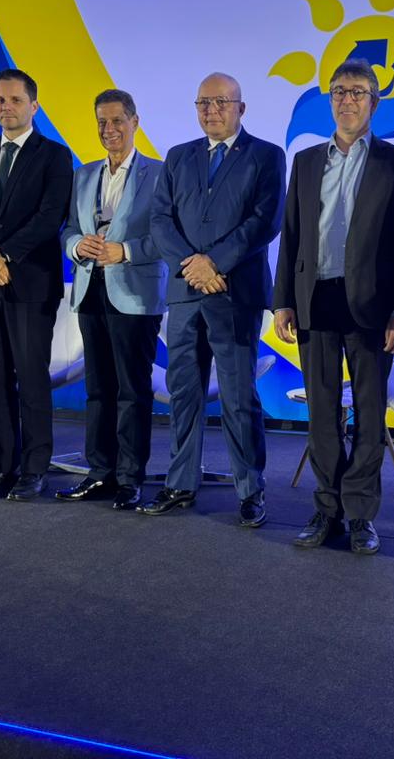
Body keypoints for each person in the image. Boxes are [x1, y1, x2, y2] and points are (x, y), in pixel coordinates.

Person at [272, 59, 394, 555]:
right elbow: (291, 234)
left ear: (374, 102)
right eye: (338, 91)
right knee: (322, 413)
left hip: (373, 305)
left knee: (370, 415)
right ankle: (327, 508)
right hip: (314, 300)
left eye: (357, 92)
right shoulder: (306, 160)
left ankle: (360, 515)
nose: (346, 100)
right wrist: (283, 302)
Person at [142, 72, 285, 526]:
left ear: (242, 108)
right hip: (186, 294)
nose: (212, 110)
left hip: (234, 293)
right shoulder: (178, 156)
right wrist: (193, 267)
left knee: (239, 397)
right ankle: (180, 483)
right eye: (204, 102)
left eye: (222, 102)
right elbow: (160, 220)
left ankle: (250, 489)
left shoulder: (266, 155)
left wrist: (215, 264)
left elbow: (264, 221)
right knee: (184, 393)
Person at [0, 68, 73, 501]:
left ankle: (35, 469)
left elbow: (50, 216)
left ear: (34, 106)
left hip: (31, 284)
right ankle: (1, 467)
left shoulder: (54, 156)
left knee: (32, 377)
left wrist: (3, 255)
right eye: (0, 100)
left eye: (15, 100)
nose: (6, 107)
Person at [57, 89, 167, 511]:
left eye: (117, 120)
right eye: (102, 122)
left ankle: (130, 478)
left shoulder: (159, 173)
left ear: (135, 122)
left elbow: (166, 237)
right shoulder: (83, 175)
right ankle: (99, 472)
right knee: (98, 389)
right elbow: (68, 228)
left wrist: (126, 251)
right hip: (90, 290)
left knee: (132, 391)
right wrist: (76, 246)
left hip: (136, 296)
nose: (109, 129)